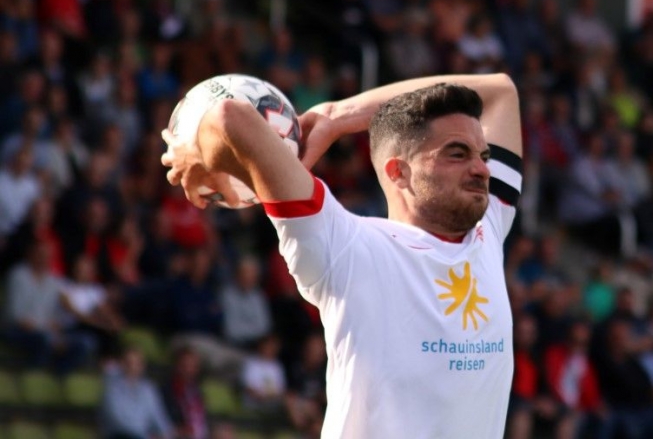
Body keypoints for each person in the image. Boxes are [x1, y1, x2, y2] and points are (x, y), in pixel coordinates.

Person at [162, 73, 522, 438]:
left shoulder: (488, 230)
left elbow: (501, 91)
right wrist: (199, 148)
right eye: (457, 154)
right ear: (398, 172)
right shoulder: (344, 246)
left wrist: (339, 116)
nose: (481, 169)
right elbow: (229, 116)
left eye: (484, 156)